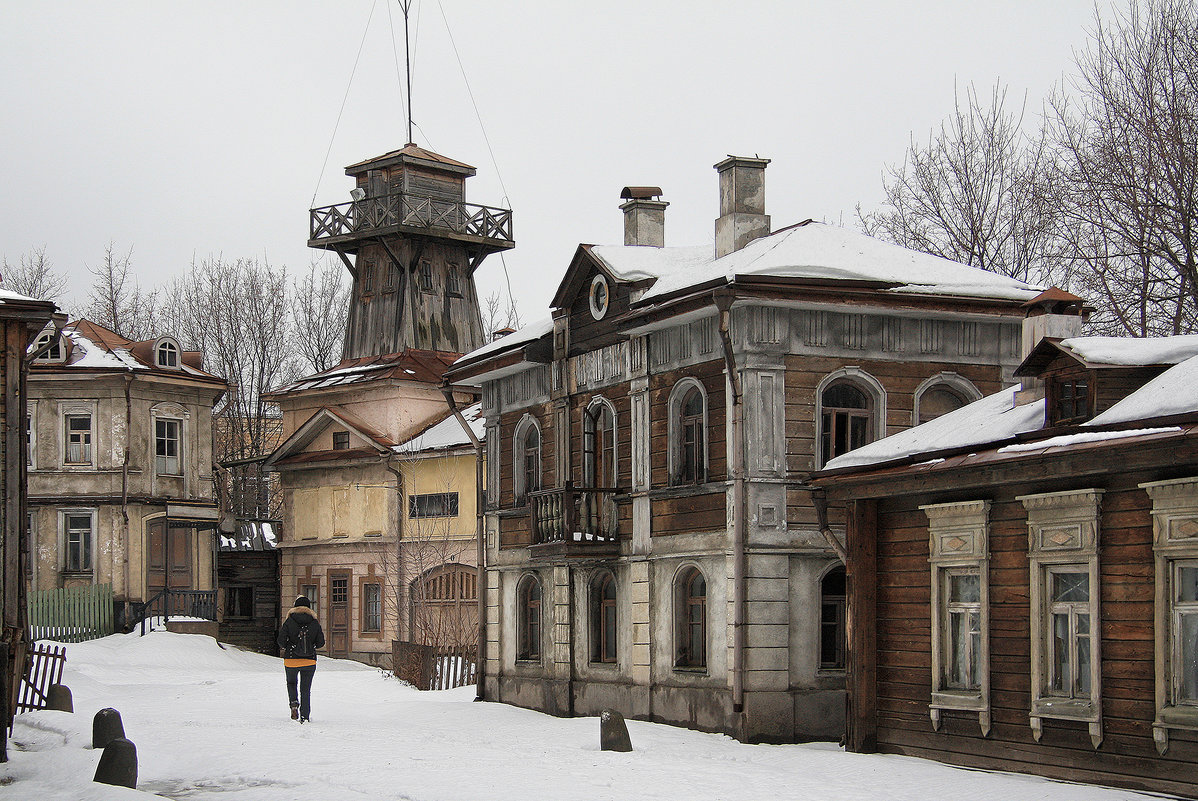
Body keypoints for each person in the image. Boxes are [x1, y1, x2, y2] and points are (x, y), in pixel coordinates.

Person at [277, 595, 325, 723]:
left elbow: (280, 642)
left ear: (295, 607)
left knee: (291, 683)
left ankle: (293, 703)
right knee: (305, 689)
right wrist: (311, 646)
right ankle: (305, 716)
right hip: (309, 661)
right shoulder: (314, 622)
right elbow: (321, 643)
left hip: (291, 659)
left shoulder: (289, 621)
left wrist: (289, 646)